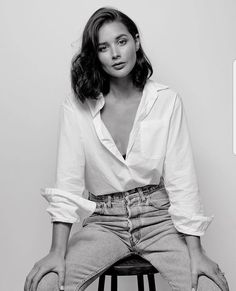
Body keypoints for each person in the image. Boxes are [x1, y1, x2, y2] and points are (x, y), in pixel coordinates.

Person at [24, 6, 229, 291]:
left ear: (136, 41)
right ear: (95, 55)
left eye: (121, 41)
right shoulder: (77, 106)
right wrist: (57, 252)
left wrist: (196, 251)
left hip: (159, 219)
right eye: (104, 47)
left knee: (212, 286)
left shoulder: (166, 101)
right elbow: (68, 182)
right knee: (43, 285)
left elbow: (182, 180)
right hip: (103, 223)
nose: (116, 54)